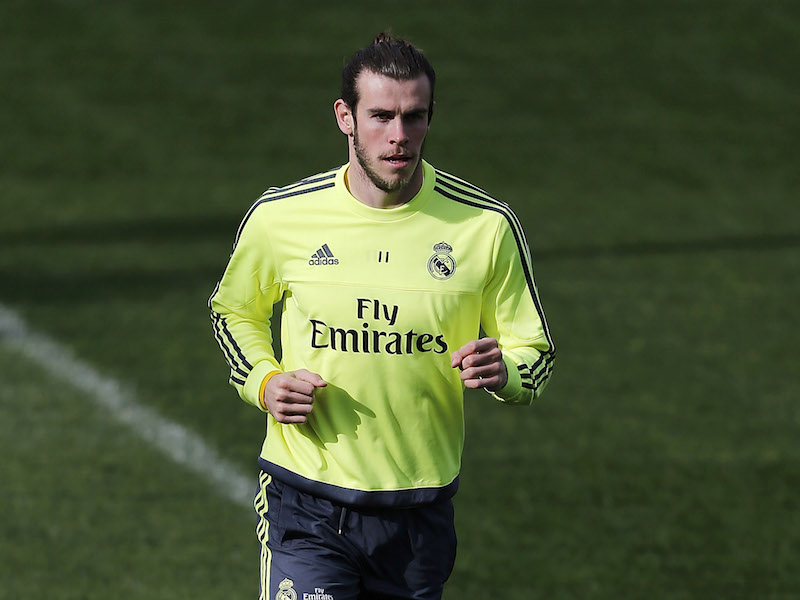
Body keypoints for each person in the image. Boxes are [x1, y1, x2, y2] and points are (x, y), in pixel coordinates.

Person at [209, 32, 555, 600]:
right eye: (381, 116)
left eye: (414, 117)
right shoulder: (281, 218)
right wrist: (264, 382)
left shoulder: (484, 227)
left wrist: (506, 372)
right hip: (307, 502)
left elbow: (534, 352)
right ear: (344, 117)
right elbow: (234, 310)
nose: (399, 136)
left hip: (418, 515)